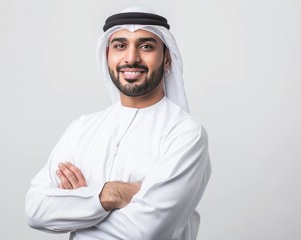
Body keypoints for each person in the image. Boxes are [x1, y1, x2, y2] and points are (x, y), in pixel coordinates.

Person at [26, 6, 211, 240]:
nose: (131, 58)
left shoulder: (185, 133)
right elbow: (35, 209)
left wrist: (78, 206)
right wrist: (112, 194)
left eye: (146, 46)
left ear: (166, 59)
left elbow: (145, 232)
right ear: (107, 56)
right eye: (120, 46)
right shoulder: (82, 129)